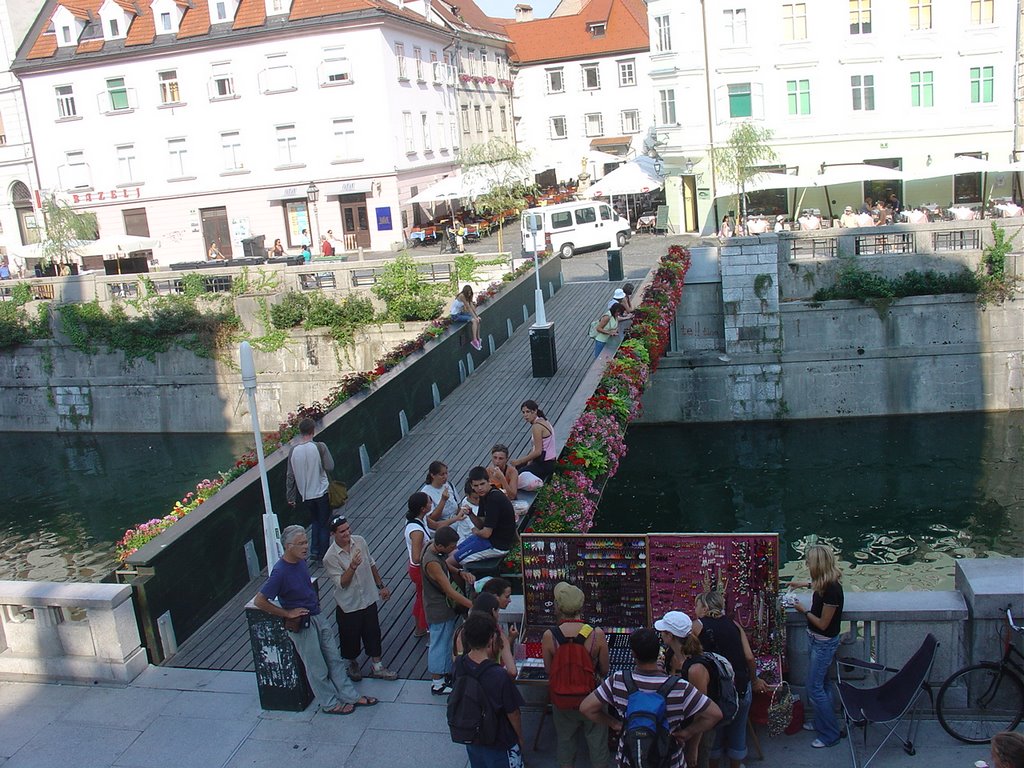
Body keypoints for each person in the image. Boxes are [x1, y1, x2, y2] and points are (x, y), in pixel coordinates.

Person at [253, 525, 377, 714]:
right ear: (288, 546)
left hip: (317, 615)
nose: (305, 547)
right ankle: (329, 703)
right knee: (316, 666)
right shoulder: (280, 572)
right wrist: (287, 614)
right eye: (300, 543)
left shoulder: (300, 562)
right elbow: (260, 601)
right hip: (302, 623)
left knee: (334, 659)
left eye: (306, 542)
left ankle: (349, 695)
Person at [581, 628, 723, 768]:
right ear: (658, 653)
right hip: (670, 759)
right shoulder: (680, 687)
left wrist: (614, 723)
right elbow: (715, 714)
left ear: (633, 654)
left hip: (630, 758)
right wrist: (687, 732)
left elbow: (586, 708)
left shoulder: (618, 680)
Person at [692, 591, 768, 767]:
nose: (694, 609)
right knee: (738, 730)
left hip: (715, 689)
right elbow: (749, 657)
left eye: (696, 605)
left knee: (713, 732)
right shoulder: (734, 625)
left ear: (705, 607)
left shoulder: (697, 626)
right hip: (740, 685)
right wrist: (755, 680)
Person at [543, 581, 610, 768]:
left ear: (558, 607)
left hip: (562, 699)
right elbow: (605, 669)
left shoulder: (550, 635)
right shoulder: (596, 634)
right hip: (592, 697)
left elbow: (549, 670)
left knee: (565, 742)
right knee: (598, 744)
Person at [323, 514, 397, 682]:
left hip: (368, 597)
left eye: (348, 529)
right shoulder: (330, 557)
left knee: (373, 632)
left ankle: (377, 666)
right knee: (350, 637)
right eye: (342, 531)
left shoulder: (360, 541)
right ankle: (352, 663)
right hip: (349, 604)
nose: (347, 533)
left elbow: (371, 563)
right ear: (333, 534)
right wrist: (352, 566)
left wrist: (381, 586)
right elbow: (342, 582)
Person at [450, 613, 526, 768]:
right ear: (491, 639)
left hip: (472, 734)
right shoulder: (498, 675)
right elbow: (513, 713)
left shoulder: (459, 664)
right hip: (499, 740)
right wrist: (519, 737)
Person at [791, 544, 845, 749]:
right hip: (819, 641)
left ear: (817, 564)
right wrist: (802, 584)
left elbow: (823, 623)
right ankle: (822, 721)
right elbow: (818, 585)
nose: (806, 564)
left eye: (809, 561)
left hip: (823, 644)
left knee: (814, 688)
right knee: (823, 684)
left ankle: (830, 733)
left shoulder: (832, 590)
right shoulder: (826, 583)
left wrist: (803, 610)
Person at [657, 611, 714, 768]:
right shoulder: (670, 655)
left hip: (696, 731)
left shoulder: (696, 669)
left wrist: (693, 747)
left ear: (670, 636)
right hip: (679, 726)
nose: (660, 634)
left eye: (663, 631)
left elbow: (702, 712)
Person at [422, 526, 475, 695]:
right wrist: (472, 605)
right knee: (439, 643)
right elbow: (449, 591)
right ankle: (437, 683)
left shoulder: (432, 545)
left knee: (446, 640)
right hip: (439, 608)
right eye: (451, 547)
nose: (454, 550)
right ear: (440, 546)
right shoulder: (431, 563)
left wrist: (459, 571)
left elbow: (445, 564)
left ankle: (445, 674)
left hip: (443, 606)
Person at [285, 418, 333, 563]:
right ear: (313, 431)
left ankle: (314, 551)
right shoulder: (319, 447)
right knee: (325, 523)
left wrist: (290, 496)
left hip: (305, 495)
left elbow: (290, 475)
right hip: (321, 491)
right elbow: (330, 466)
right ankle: (323, 555)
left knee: (315, 521)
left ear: (300, 432)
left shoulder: (293, 451)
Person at [450, 466, 518, 566]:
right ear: (472, 486)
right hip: (488, 540)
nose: (480, 488)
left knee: (451, 562)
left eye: (482, 484)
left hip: (497, 546)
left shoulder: (493, 499)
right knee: (453, 551)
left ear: (489, 481)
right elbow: (481, 524)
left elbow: (486, 533)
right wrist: (470, 514)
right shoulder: (484, 495)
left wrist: (476, 531)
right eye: (476, 485)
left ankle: (464, 578)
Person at [453, 591, 517, 678]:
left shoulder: (459, 632)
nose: (498, 615)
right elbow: (512, 671)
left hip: (465, 687)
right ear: (493, 611)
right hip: (491, 685)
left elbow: (456, 663)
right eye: (498, 611)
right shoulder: (497, 635)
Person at [404, 491, 433, 639]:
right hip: (420, 569)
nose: (431, 503)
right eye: (429, 502)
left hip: (415, 569)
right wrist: (431, 548)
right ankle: (425, 628)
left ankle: (419, 628)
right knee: (425, 599)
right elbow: (416, 557)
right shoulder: (417, 532)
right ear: (423, 508)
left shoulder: (417, 521)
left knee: (420, 598)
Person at [511, 400, 557, 481]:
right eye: (523, 412)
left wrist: (519, 461)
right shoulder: (544, 420)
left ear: (535, 411)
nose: (525, 415)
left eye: (528, 412)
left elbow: (538, 451)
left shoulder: (537, 427)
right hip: (549, 461)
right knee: (518, 468)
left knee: (517, 475)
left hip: (545, 463)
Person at [422, 461, 466, 531]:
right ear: (433, 475)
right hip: (442, 526)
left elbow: (458, 507)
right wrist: (443, 500)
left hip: (456, 520)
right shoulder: (426, 493)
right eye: (442, 474)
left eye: (446, 473)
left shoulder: (449, 485)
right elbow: (432, 519)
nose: (445, 477)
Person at [451, 285, 482, 351]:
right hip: (455, 316)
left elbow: (471, 305)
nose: (469, 294)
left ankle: (478, 337)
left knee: (478, 320)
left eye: (470, 293)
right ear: (465, 292)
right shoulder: (462, 296)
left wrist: (477, 316)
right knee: (473, 320)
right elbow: (468, 307)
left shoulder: (468, 297)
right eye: (468, 293)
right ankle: (474, 339)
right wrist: (474, 317)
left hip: (460, 313)